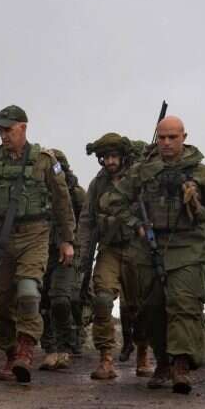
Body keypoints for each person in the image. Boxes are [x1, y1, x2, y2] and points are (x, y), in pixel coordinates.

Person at [109, 116, 205, 394]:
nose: (166, 142)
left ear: (183, 137)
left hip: (187, 247)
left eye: (172, 137)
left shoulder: (203, 175)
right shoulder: (142, 172)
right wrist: (136, 225)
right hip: (148, 248)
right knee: (150, 308)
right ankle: (162, 359)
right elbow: (113, 201)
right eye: (162, 137)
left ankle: (181, 365)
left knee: (183, 305)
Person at [0, 105, 75, 383]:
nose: (4, 134)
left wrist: (66, 240)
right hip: (1, 239)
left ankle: (26, 350)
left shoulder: (43, 160)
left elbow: (63, 201)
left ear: (23, 128)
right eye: (0, 129)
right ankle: (10, 352)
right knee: (2, 304)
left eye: (8, 129)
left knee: (28, 292)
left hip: (35, 235)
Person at [77, 132, 152, 380]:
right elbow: (87, 221)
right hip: (109, 250)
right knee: (102, 300)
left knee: (138, 307)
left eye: (113, 156)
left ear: (122, 157)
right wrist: (83, 253)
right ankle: (106, 358)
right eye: (105, 157)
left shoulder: (137, 178)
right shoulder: (98, 184)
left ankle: (143, 352)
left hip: (136, 248)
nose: (109, 162)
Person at [39, 149, 86, 371]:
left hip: (67, 252)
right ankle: (49, 348)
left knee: (61, 299)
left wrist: (79, 251)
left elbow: (86, 224)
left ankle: (64, 347)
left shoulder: (76, 194)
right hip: (39, 250)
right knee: (41, 302)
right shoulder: (35, 190)